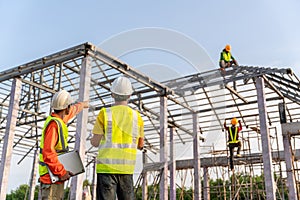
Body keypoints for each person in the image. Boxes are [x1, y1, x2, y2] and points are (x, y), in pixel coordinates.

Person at [90, 76, 144, 200]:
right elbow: (140, 145)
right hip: (126, 169)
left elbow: (95, 142)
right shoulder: (137, 117)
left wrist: (92, 140)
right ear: (129, 96)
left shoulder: (105, 113)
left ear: (112, 94)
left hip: (106, 169)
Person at [39, 90, 89, 199]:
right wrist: (61, 172)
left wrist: (83, 105)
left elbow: (73, 111)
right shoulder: (54, 125)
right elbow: (48, 153)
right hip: (51, 179)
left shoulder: (58, 120)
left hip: (54, 178)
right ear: (66, 108)